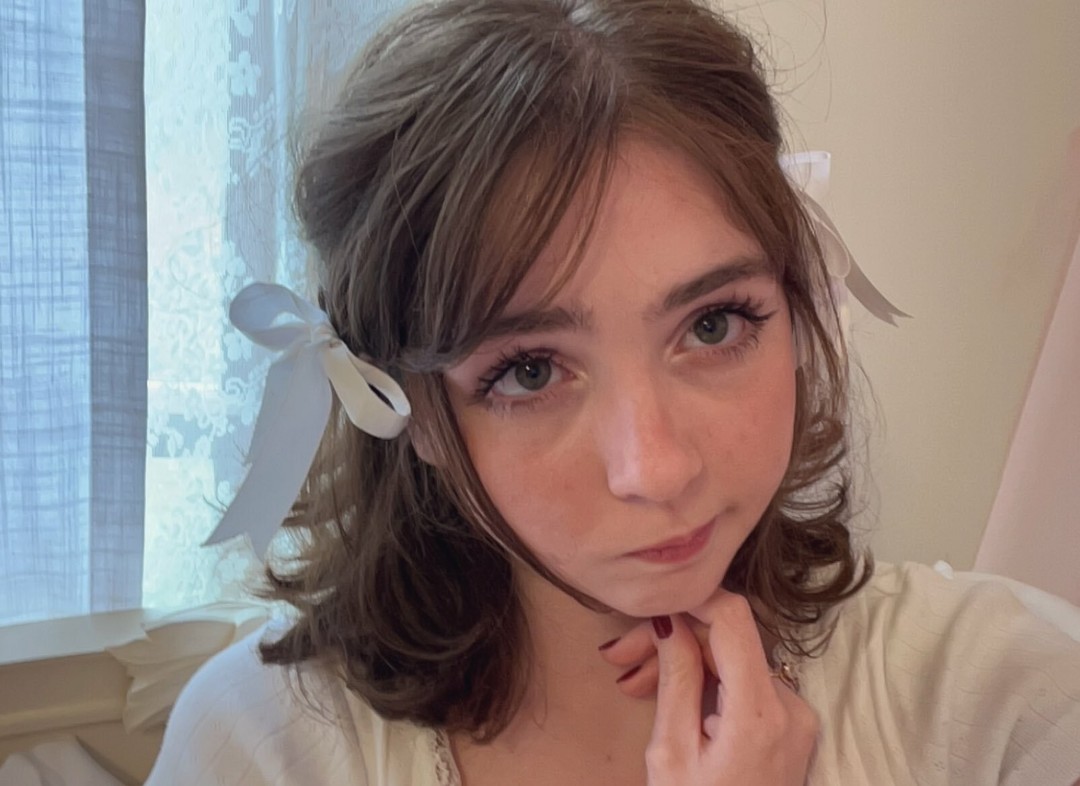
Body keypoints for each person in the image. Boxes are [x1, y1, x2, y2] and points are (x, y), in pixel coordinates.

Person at [146, 0, 1080, 783]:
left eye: (713, 325)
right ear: (411, 410)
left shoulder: (1001, 694)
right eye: (529, 371)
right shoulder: (266, 743)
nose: (656, 469)